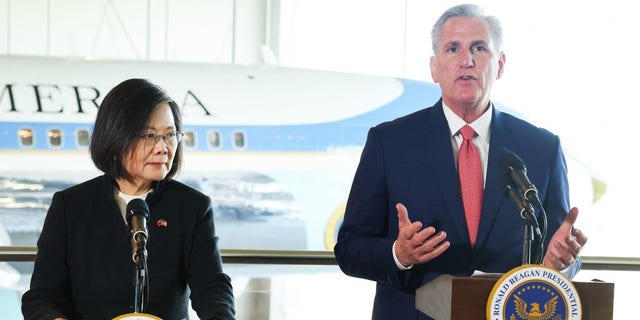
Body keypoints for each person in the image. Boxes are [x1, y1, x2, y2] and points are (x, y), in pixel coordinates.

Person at [333, 4, 588, 320]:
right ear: (434, 67)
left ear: (501, 64)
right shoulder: (390, 142)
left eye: (479, 48)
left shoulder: (542, 147)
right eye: (452, 49)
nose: (466, 60)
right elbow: (349, 249)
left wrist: (560, 263)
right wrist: (398, 255)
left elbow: (559, 250)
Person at [21, 78, 235, 319]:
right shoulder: (70, 206)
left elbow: (212, 287)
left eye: (170, 135)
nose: (163, 147)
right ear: (116, 136)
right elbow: (41, 298)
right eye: (149, 135)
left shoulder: (192, 207)